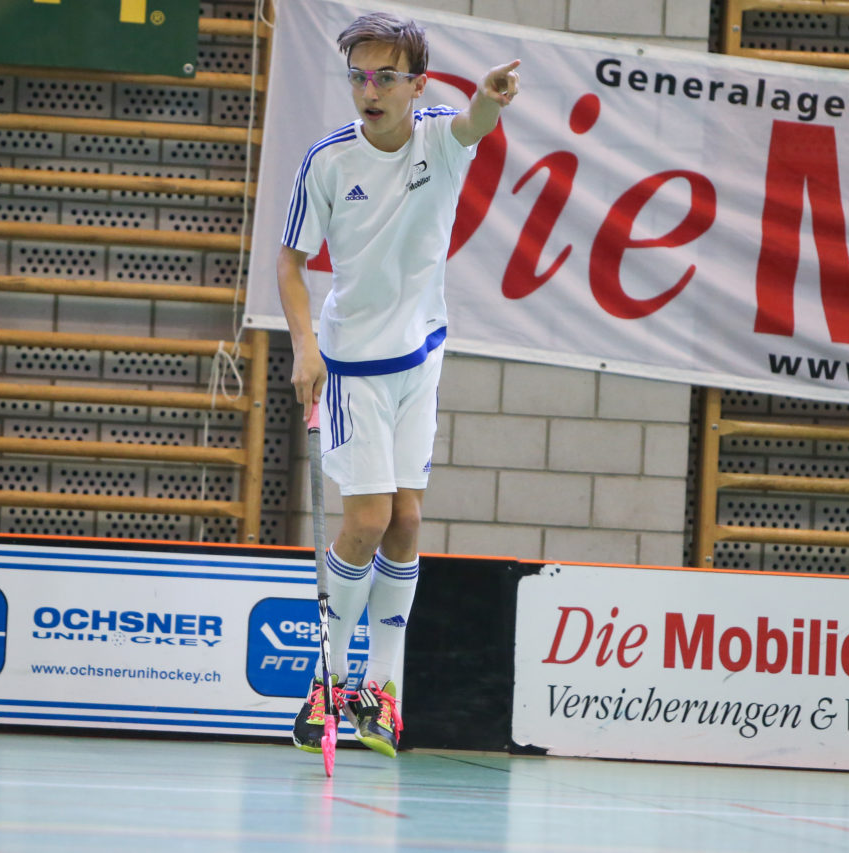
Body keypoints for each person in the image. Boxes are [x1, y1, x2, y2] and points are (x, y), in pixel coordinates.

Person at [277, 11, 519, 758]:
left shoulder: (438, 138)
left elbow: (474, 123)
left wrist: (489, 97)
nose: (368, 90)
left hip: (421, 358)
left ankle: (379, 688)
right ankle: (327, 677)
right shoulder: (326, 162)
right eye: (357, 75)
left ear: (417, 85)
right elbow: (290, 264)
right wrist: (304, 349)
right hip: (351, 365)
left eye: (385, 76)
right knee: (368, 519)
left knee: (408, 521)